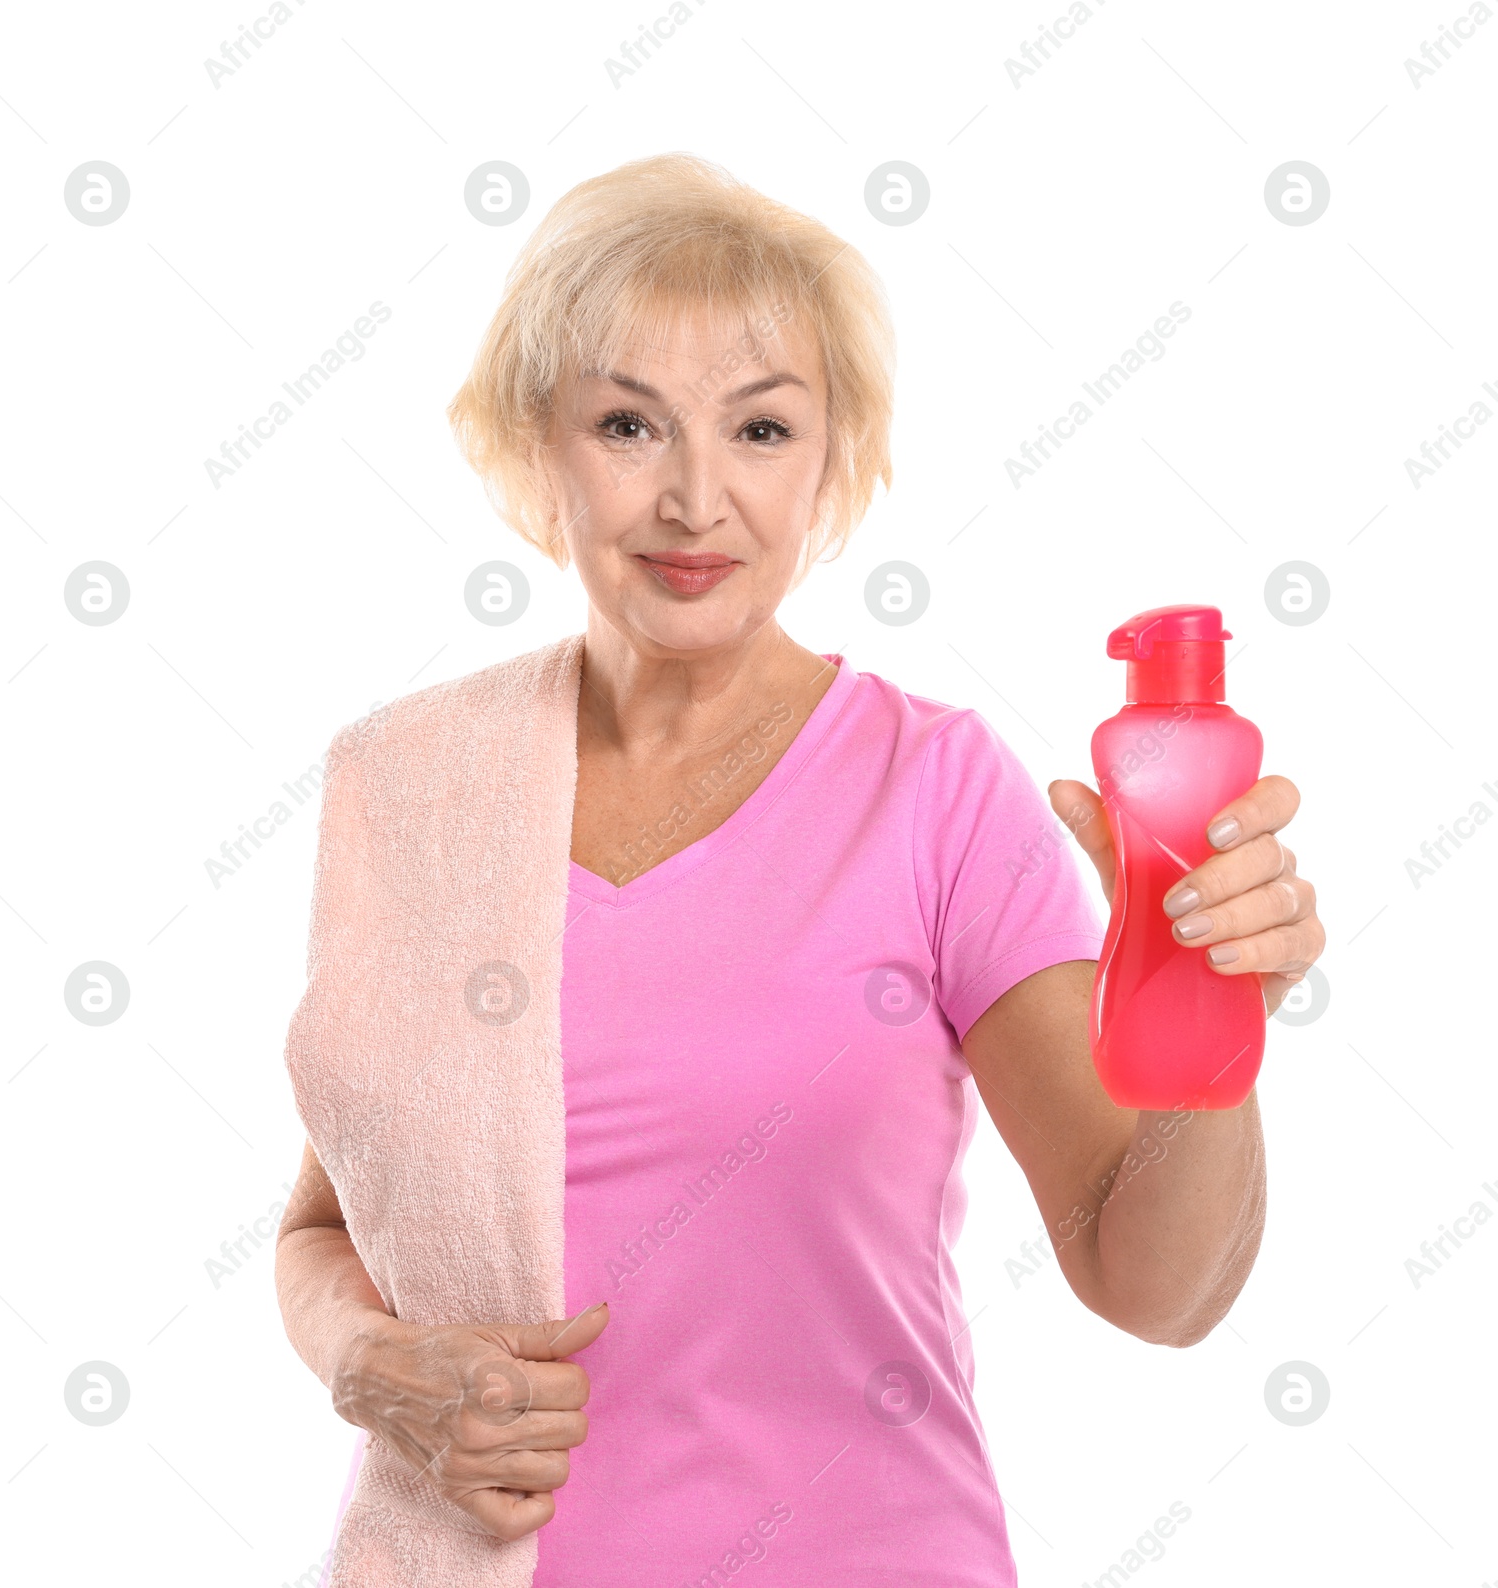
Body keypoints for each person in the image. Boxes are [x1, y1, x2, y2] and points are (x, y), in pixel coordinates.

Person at [274, 151, 1325, 1586]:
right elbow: (332, 1221)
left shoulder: (937, 792)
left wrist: (1211, 1012)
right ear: (541, 444)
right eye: (629, 423)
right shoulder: (412, 787)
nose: (697, 498)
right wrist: (368, 1364)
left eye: (761, 431)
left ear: (835, 457)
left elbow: (1155, 1286)